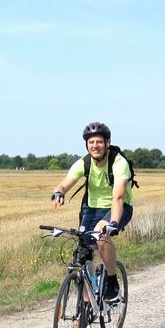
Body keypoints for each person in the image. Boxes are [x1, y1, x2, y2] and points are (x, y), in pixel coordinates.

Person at [51, 122, 134, 302]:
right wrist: (59, 192)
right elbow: (66, 182)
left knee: (101, 237)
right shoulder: (84, 162)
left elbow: (118, 197)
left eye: (99, 142)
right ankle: (87, 308)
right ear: (87, 145)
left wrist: (112, 223)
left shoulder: (119, 163)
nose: (95, 146)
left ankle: (112, 283)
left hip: (119, 207)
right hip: (91, 208)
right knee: (80, 259)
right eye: (91, 143)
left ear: (107, 143)